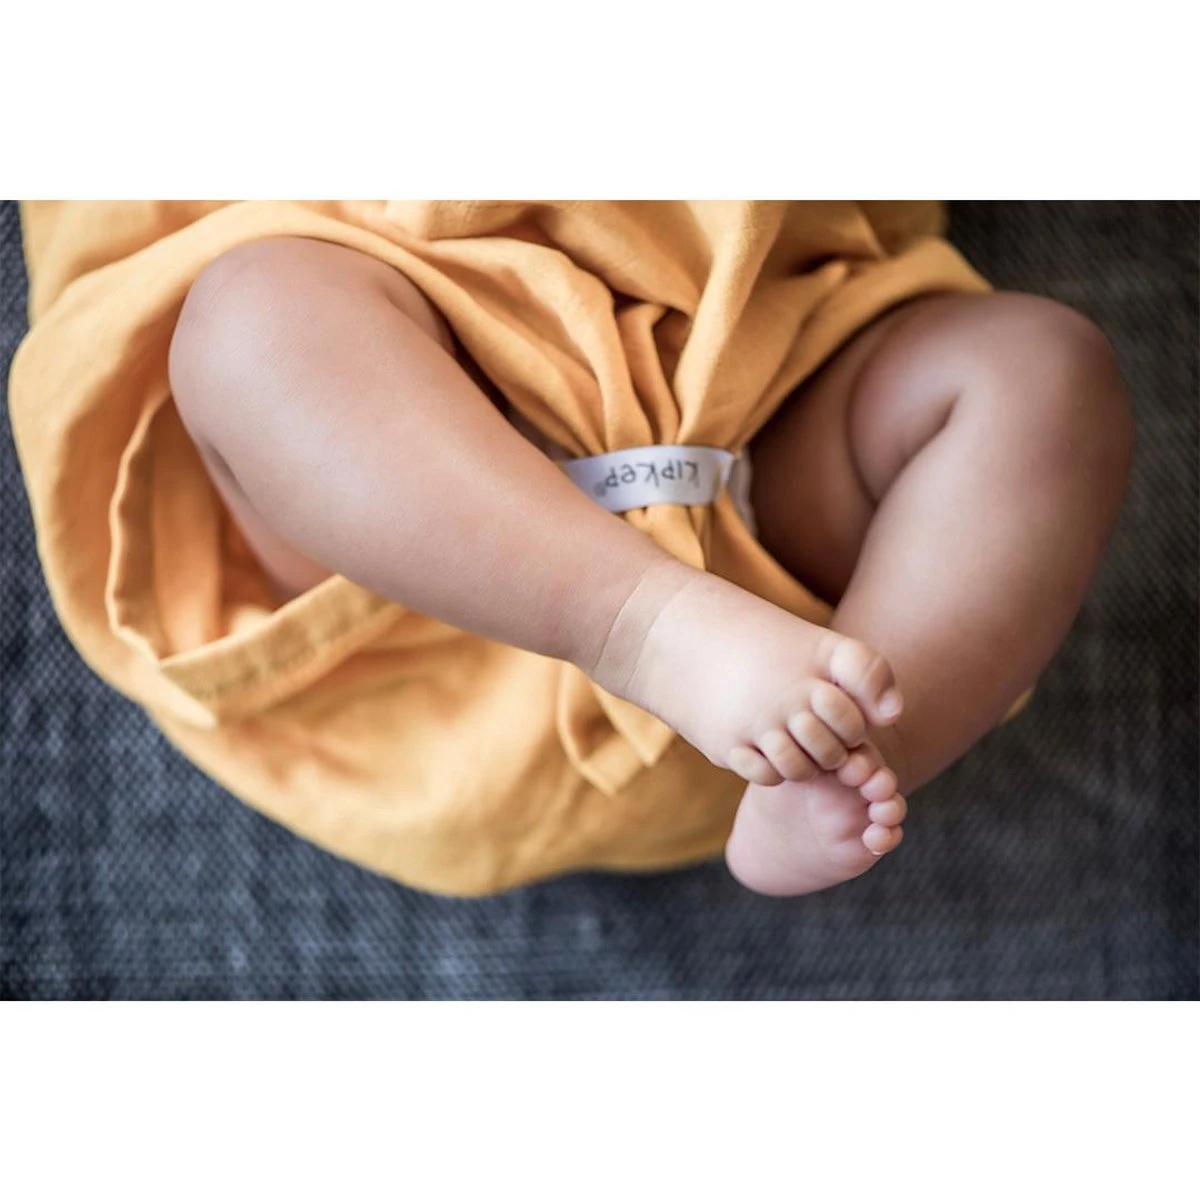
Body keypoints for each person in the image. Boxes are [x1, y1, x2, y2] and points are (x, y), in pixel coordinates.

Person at [10, 201, 1132, 896]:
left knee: (1040, 369)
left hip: (759, 419)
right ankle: (637, 620)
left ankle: (855, 745)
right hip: (425, 570)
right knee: (254, 320)